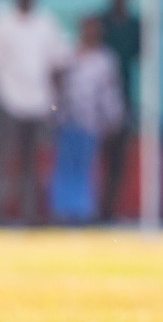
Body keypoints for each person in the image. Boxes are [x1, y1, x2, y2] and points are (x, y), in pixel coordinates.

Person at [0, 0, 72, 225]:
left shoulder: (46, 22)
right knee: (4, 157)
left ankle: (30, 213)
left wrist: (56, 101)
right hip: (8, 99)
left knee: (32, 160)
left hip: (39, 101)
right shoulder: (1, 22)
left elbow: (59, 62)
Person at [50, 16, 127, 223]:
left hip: (91, 121)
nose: (90, 33)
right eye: (87, 29)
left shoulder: (105, 60)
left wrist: (113, 118)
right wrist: (53, 113)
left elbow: (110, 92)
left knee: (86, 167)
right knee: (65, 167)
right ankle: (62, 210)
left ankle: (83, 210)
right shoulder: (68, 56)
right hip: (66, 119)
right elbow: (56, 89)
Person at [95, 0, 140, 222]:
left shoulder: (135, 25)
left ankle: (109, 209)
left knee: (118, 158)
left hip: (123, 96)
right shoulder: (100, 20)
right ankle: (94, 206)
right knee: (97, 155)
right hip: (95, 100)